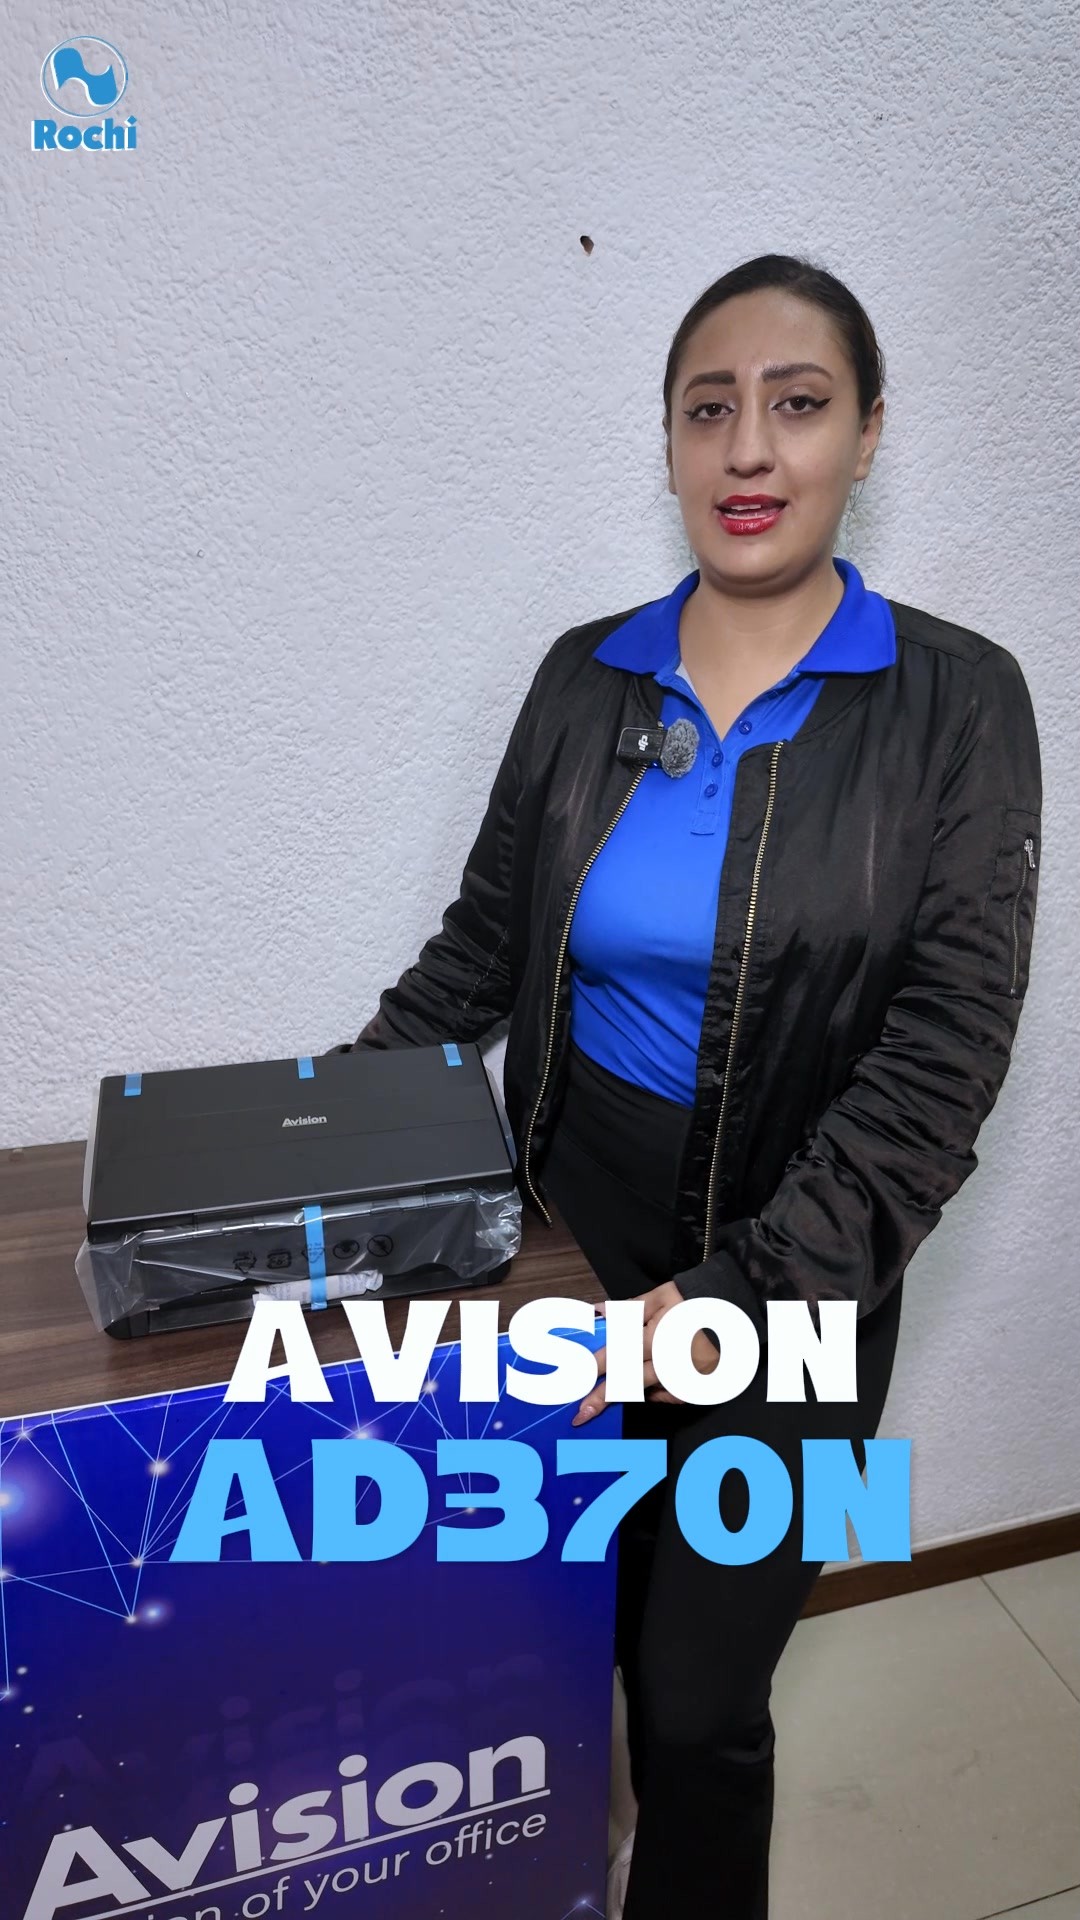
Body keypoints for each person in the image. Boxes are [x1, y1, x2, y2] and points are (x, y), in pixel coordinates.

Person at [328, 251, 1042, 1918]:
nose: (751, 448)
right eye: (710, 409)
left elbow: (946, 1057)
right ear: (666, 443)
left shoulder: (957, 701)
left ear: (869, 434)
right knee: (548, 1635)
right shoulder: (587, 677)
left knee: (702, 1699)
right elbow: (477, 955)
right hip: (564, 1246)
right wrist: (315, 1139)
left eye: (799, 405)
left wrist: (729, 1302)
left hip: (801, 1271)